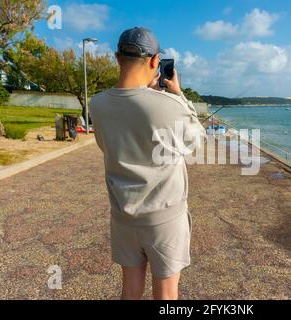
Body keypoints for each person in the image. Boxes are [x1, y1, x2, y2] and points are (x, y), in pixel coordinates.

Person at [90, 27, 206, 300]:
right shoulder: (167, 104)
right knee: (166, 293)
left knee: (130, 289)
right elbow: (197, 139)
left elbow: (105, 144)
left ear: (118, 57)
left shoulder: (97, 104)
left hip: (122, 215)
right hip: (163, 218)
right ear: (156, 62)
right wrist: (178, 95)